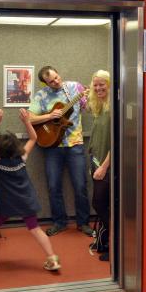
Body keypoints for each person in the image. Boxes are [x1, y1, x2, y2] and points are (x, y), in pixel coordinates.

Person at [0, 108, 61, 271]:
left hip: (5, 202)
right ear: (16, 145)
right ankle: (52, 259)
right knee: (35, 228)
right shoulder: (22, 156)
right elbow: (33, 137)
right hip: (25, 199)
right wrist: (26, 121)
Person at [28, 65, 92, 237]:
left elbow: (89, 108)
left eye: (56, 77)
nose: (56, 82)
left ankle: (84, 223)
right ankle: (59, 222)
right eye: (51, 81)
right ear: (45, 83)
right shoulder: (42, 95)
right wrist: (50, 116)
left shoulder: (75, 88)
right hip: (52, 147)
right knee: (53, 186)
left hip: (75, 144)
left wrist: (89, 96)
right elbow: (30, 118)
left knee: (80, 185)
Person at [87, 70, 110, 262]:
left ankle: (115, 245)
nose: (98, 87)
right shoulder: (99, 107)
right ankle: (104, 241)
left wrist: (103, 167)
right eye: (95, 85)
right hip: (96, 163)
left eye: (102, 84)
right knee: (102, 203)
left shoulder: (112, 109)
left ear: (110, 84)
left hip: (107, 165)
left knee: (100, 203)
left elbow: (116, 143)